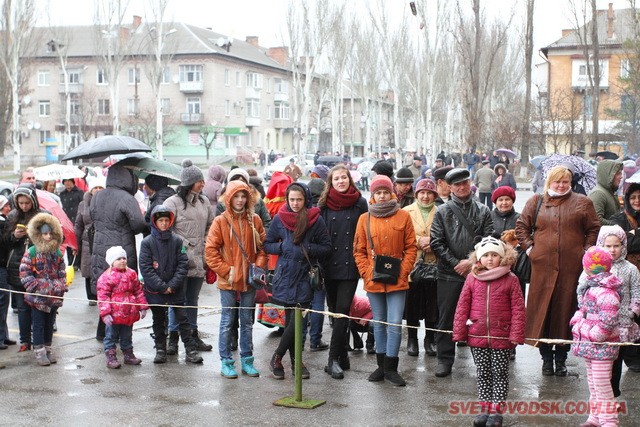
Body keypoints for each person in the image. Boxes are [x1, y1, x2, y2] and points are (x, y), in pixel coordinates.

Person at [515, 165, 600, 377]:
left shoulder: (583, 202)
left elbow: (594, 228)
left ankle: (561, 358)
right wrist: (531, 249)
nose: (561, 185)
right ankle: (546, 359)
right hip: (542, 266)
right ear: (549, 182)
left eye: (565, 181)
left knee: (565, 310)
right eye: (557, 181)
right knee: (544, 309)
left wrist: (586, 250)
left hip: (571, 268)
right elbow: (521, 226)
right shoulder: (537, 201)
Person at [453, 237, 526, 427]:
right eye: (486, 255)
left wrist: (516, 334)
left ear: (501, 257)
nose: (490, 259)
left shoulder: (511, 279)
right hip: (477, 334)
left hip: (502, 335)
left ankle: (496, 411)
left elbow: (518, 308)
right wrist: (460, 332)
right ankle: (484, 408)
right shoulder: (472, 278)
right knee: (483, 372)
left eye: (494, 255)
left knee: (500, 373)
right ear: (479, 257)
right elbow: (463, 306)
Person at [430, 168, 494, 378]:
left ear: (469, 183)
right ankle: (444, 359)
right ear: (450, 187)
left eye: (464, 183)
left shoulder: (483, 210)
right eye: (457, 184)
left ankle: (482, 360)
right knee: (446, 317)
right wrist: (456, 263)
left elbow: (489, 240)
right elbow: (437, 243)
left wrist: (471, 262)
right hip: (449, 274)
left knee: (479, 317)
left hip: (478, 272)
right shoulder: (442, 211)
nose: (461, 187)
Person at [353, 175, 417, 386]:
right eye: (378, 192)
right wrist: (367, 272)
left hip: (397, 279)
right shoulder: (364, 219)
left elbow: (411, 247)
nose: (382, 196)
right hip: (374, 279)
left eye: (385, 192)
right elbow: (359, 251)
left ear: (392, 193)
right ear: (372, 195)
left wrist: (403, 270)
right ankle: (381, 366)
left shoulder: (403, 217)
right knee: (378, 323)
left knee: (395, 323)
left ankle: (391, 367)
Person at [265, 183, 332, 380]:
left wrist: (308, 248)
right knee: (290, 322)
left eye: (299, 199)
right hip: (285, 275)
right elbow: (268, 244)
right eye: (292, 199)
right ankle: (295, 362)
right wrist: (284, 247)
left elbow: (327, 248)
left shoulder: (315, 219)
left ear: (306, 200)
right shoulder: (279, 218)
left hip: (305, 275)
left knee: (299, 322)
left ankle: (278, 356)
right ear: (287, 199)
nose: (295, 203)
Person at [206, 181, 267, 378]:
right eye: (236, 196)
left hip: (249, 280)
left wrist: (257, 266)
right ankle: (226, 361)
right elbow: (210, 252)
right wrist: (227, 271)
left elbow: (262, 248)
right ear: (229, 198)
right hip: (229, 281)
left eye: (243, 196)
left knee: (247, 321)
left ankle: (247, 360)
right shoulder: (220, 221)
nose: (240, 200)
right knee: (227, 321)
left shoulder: (255, 220)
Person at [318, 165, 368, 379]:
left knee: (342, 312)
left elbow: (366, 232)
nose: (341, 181)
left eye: (344, 177)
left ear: (350, 179)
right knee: (335, 312)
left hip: (350, 264)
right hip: (329, 264)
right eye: (336, 178)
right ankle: (342, 355)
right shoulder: (323, 204)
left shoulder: (359, 202)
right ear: (331, 181)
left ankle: (332, 360)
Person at [139, 206, 203, 365]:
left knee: (183, 319)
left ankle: (190, 349)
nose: (164, 223)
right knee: (158, 319)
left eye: (167, 220)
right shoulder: (147, 242)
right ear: (155, 221)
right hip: (155, 290)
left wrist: (172, 285)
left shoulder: (177, 240)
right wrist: (162, 287)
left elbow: (183, 264)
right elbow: (146, 268)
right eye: (161, 220)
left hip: (176, 289)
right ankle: (160, 349)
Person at [90, 165, 147, 344]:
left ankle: (102, 332)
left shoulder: (97, 196)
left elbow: (92, 217)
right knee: (122, 291)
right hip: (122, 248)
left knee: (106, 290)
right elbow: (138, 224)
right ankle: (119, 336)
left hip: (100, 249)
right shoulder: (127, 198)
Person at [163, 160, 214, 354]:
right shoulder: (172, 203)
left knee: (193, 299)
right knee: (177, 300)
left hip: (200, 259)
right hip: (180, 261)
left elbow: (210, 226)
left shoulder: (205, 201)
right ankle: (173, 338)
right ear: (188, 182)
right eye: (199, 180)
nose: (203, 184)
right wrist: (184, 245)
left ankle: (193, 334)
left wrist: (206, 243)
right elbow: (164, 228)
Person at [570, 247, 622, 427]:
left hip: (601, 346)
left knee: (602, 385)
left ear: (588, 268)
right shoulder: (591, 287)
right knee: (593, 383)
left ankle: (609, 422)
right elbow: (584, 309)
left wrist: (594, 335)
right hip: (591, 345)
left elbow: (607, 321)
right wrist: (578, 319)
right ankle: (595, 417)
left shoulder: (606, 291)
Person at [591, 226, 640, 397]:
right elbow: (584, 290)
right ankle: (600, 394)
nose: (612, 250)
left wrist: (633, 311)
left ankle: (613, 395)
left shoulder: (630, 269)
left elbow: (636, 291)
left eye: (616, 245)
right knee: (601, 362)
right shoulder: (595, 267)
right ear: (601, 246)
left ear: (623, 246)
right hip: (600, 324)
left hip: (622, 324)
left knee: (617, 361)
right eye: (608, 246)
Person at [19, 213, 67, 366]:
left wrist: (59, 286)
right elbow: (25, 274)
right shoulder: (31, 252)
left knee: (49, 325)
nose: (48, 236)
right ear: (38, 234)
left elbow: (62, 273)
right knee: (38, 324)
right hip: (38, 298)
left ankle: (47, 349)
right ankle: (39, 352)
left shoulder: (57, 253)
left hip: (53, 298)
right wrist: (39, 288)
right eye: (45, 234)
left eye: (50, 233)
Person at [5, 187, 46, 351]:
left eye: (27, 202)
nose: (24, 206)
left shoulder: (43, 215)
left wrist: (34, 235)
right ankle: (24, 341)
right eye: (20, 203)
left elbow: (55, 237)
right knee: (22, 307)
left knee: (38, 306)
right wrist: (15, 236)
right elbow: (5, 242)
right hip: (17, 265)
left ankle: (39, 340)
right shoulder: (12, 216)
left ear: (33, 201)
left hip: (38, 265)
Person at [403, 178, 439, 357]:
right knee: (412, 304)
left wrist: (433, 242)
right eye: (422, 193)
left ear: (434, 195)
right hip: (412, 265)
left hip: (434, 265)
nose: (425, 196)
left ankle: (430, 339)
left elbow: (445, 236)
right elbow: (402, 236)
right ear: (417, 194)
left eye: (429, 193)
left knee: (432, 304)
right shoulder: (405, 212)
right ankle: (412, 339)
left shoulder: (441, 212)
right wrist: (419, 241)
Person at [97, 246, 148, 369]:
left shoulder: (131, 273)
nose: (123, 261)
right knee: (110, 336)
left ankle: (128, 355)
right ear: (111, 261)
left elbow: (138, 290)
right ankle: (111, 356)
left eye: (124, 258)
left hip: (129, 311)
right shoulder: (106, 277)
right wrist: (105, 313)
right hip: (114, 313)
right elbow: (103, 296)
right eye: (119, 259)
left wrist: (142, 306)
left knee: (127, 335)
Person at [74, 177, 105, 306]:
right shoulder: (83, 204)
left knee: (102, 266)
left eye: (100, 187)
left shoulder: (107, 202)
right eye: (95, 188)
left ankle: (102, 293)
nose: (97, 190)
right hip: (87, 240)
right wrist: (75, 243)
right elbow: (78, 224)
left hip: (103, 237)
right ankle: (91, 295)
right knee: (88, 267)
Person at [0, 195, 15, 351]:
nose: (9, 208)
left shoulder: (4, 222)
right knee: (2, 301)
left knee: (4, 303)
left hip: (4, 266)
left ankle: (3, 336)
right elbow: (5, 242)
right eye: (6, 206)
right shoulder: (2, 223)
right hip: (1, 267)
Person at [588, 159, 623, 226]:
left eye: (621, 173)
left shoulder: (609, 192)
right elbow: (596, 220)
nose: (621, 177)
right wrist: (617, 226)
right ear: (608, 175)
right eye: (618, 173)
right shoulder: (598, 193)